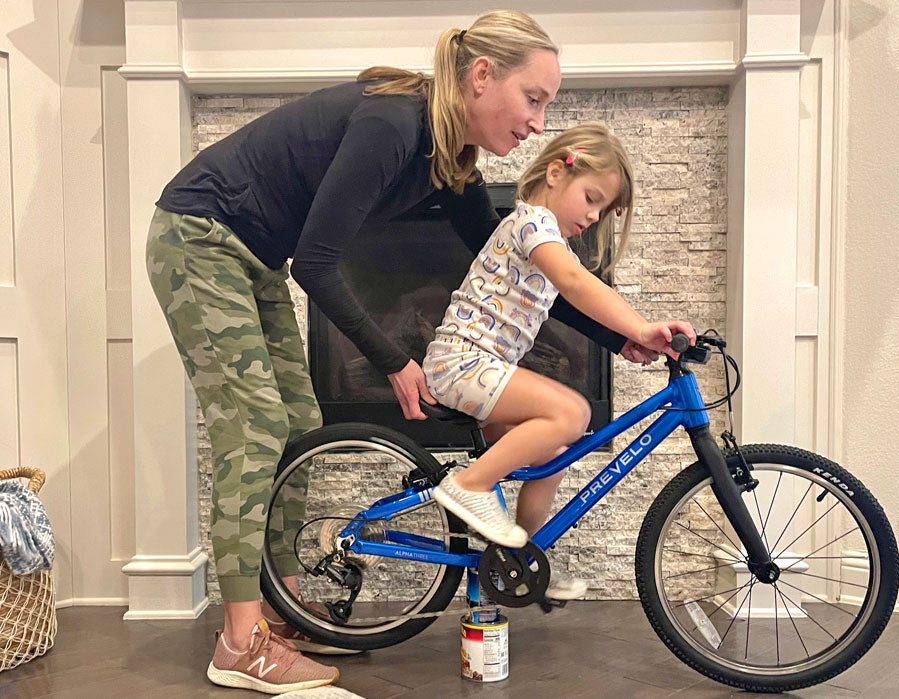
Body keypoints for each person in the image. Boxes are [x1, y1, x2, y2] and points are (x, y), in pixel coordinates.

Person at [146, 10, 656, 694]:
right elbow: (318, 264)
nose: (538, 124)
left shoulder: (451, 161)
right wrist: (392, 358)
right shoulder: (394, 126)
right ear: (482, 76)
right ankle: (239, 643)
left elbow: (524, 270)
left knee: (299, 422)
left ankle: (283, 609)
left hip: (256, 257)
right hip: (200, 236)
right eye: (533, 99)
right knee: (257, 426)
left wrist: (619, 337)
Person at [425, 123, 696, 599]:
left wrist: (624, 340)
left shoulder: (548, 239)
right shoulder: (531, 224)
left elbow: (571, 299)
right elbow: (573, 283)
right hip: (462, 363)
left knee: (553, 454)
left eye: (602, 210)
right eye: (591, 198)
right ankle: (469, 485)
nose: (593, 215)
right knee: (572, 413)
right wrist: (639, 327)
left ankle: (519, 561)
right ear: (556, 173)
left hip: (482, 368)